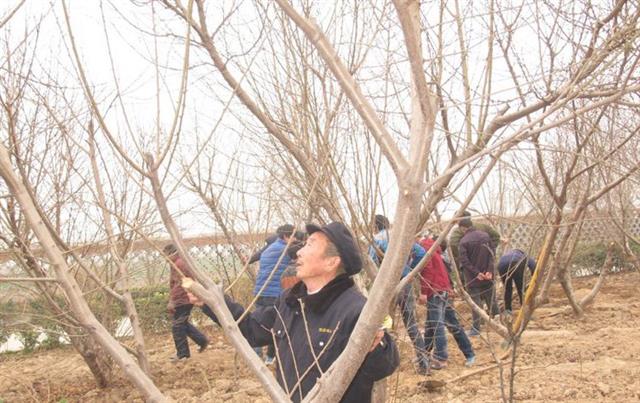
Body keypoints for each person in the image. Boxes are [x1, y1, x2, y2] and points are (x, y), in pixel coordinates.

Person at [202, 222, 400, 402]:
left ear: (331, 262)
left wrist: (378, 345)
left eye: (310, 245)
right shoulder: (290, 302)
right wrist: (213, 302)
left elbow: (384, 365)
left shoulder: (356, 310)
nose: (299, 252)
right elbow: (252, 329)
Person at [369, 214, 429, 373]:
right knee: (411, 324)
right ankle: (424, 364)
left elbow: (372, 261)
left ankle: (387, 363)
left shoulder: (377, 240)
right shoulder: (401, 236)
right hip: (404, 283)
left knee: (383, 324)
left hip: (386, 286)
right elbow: (422, 253)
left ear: (375, 226)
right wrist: (409, 271)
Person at [418, 236, 476, 368]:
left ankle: (441, 358)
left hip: (436, 291)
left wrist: (423, 292)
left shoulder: (424, 249)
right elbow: (443, 271)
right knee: (433, 326)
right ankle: (425, 355)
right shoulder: (433, 250)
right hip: (442, 290)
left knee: (437, 326)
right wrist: (448, 288)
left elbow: (428, 271)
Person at [252, 224, 298, 364]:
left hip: (260, 292)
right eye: (294, 236)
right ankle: (271, 358)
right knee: (277, 324)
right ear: (286, 236)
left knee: (257, 323)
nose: (295, 239)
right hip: (274, 294)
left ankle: (256, 354)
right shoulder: (286, 250)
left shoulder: (268, 249)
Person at [165, 243, 216, 361]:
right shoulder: (177, 263)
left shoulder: (179, 264)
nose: (165, 259)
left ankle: (183, 354)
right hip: (183, 298)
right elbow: (173, 283)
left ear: (172, 253)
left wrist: (172, 301)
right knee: (182, 324)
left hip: (183, 299)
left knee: (177, 326)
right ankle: (202, 340)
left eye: (166, 255)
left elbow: (179, 284)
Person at [458, 218, 500, 336]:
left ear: (462, 228)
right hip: (488, 276)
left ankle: (476, 329)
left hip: (473, 278)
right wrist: (489, 271)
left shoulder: (463, 241)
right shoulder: (485, 236)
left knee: (476, 303)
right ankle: (499, 324)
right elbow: (492, 254)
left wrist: (477, 273)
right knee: (492, 300)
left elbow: (464, 262)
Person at [449, 211, 500, 282]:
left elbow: (453, 245)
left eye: (457, 221)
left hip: (470, 267)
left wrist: (464, 257)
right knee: (488, 285)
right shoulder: (482, 226)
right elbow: (496, 236)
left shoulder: (459, 230)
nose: (457, 223)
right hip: (487, 263)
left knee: (473, 288)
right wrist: (488, 250)